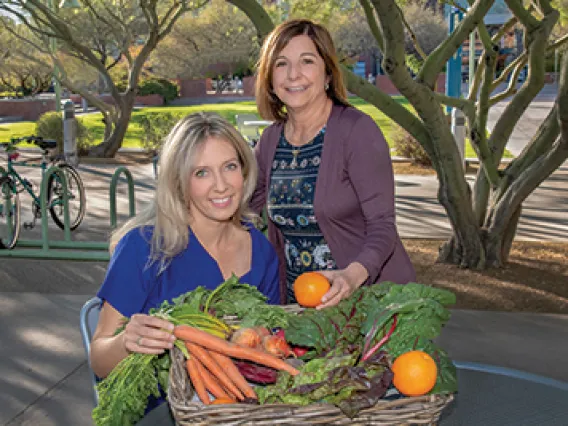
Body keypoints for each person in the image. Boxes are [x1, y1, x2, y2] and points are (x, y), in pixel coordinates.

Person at [90, 112, 280, 392]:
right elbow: (99, 360)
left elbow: (269, 345)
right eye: (201, 172)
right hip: (161, 406)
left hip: (241, 404)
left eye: (229, 166)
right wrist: (125, 343)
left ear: (245, 170)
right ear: (179, 182)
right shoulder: (143, 247)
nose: (221, 185)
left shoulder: (261, 251)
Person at [251, 19, 415, 309]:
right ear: (270, 78)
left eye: (307, 61)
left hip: (366, 301)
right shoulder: (270, 141)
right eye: (280, 64)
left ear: (327, 73)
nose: (293, 74)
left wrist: (352, 277)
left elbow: (382, 226)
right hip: (300, 308)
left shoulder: (356, 131)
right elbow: (243, 210)